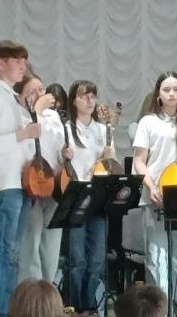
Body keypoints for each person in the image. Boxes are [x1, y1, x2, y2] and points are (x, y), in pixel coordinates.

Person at [0, 40, 44, 317]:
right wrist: (23, 134)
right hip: (3, 186)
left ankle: (8, 310)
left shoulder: (12, 97)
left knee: (11, 254)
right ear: (1, 63)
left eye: (24, 62)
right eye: (17, 62)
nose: (22, 67)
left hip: (18, 184)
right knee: (1, 254)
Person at [132, 71, 177, 312]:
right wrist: (151, 186)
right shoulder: (148, 122)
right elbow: (139, 161)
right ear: (158, 94)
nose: (172, 94)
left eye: (176, 89)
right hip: (156, 195)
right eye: (167, 89)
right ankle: (159, 311)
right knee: (156, 258)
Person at [17, 74, 66, 285]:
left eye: (41, 89)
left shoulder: (53, 116)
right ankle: (31, 291)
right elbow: (26, 141)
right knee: (31, 240)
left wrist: (65, 155)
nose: (39, 94)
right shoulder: (19, 115)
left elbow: (58, 145)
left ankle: (48, 287)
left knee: (52, 241)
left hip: (53, 183)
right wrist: (36, 110)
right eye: (33, 91)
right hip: (30, 183)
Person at [66, 79, 109, 313]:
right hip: (76, 195)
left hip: (99, 196)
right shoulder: (66, 128)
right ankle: (74, 305)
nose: (89, 101)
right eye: (83, 96)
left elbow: (109, 165)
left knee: (97, 260)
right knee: (77, 260)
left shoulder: (103, 129)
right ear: (74, 101)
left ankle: (89, 304)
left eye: (92, 96)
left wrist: (108, 157)